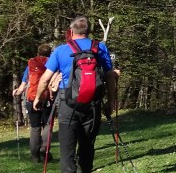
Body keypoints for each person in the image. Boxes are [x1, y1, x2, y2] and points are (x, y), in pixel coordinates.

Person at [33, 16, 117, 173]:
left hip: (68, 104)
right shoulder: (100, 48)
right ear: (88, 31)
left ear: (71, 32)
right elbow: (110, 76)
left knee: (67, 151)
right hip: (93, 104)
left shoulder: (61, 50)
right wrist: (110, 101)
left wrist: (38, 98)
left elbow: (45, 79)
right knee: (87, 148)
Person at [12, 43, 59, 163]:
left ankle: (35, 156)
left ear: (38, 53)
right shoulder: (53, 63)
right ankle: (45, 149)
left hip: (31, 98)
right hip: (47, 99)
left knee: (35, 128)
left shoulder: (31, 65)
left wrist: (17, 91)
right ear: (50, 53)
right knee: (47, 126)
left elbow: (23, 85)